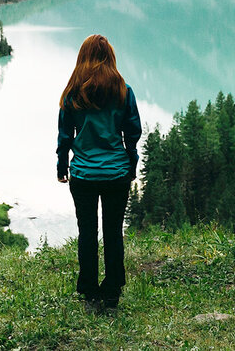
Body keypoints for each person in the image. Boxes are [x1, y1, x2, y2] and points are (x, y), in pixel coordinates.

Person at [56, 34, 142, 309]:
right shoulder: (123, 91)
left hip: (83, 174)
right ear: (110, 58)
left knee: (87, 232)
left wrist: (62, 165)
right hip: (116, 172)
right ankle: (113, 288)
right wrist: (131, 162)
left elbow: (65, 136)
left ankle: (88, 288)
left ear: (82, 57)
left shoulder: (73, 93)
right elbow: (133, 132)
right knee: (113, 231)